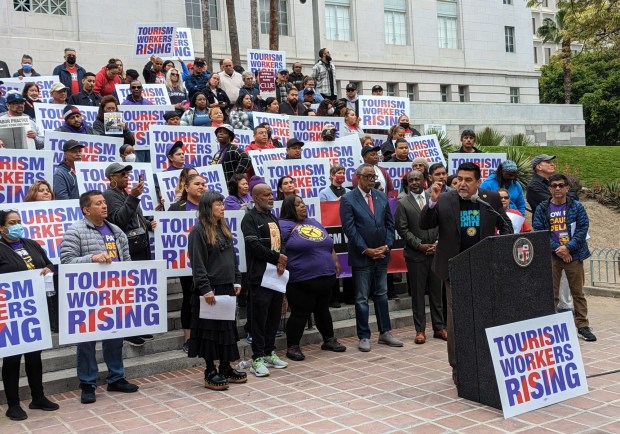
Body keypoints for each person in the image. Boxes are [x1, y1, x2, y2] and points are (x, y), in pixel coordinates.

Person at [420, 162, 513, 385]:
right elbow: (425, 224)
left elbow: (506, 226)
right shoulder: (444, 199)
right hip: (455, 269)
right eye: (459, 179)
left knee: (484, 316)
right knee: (457, 320)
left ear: (478, 182)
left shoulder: (489, 198)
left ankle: (485, 361)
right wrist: (432, 201)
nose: (462, 184)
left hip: (484, 267)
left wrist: (499, 250)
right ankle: (458, 367)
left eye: (468, 180)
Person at [60, 191, 140, 403]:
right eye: (98, 203)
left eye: (104, 202)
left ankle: (116, 377)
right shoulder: (74, 231)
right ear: (86, 209)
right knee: (86, 341)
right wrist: (91, 258)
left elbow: (128, 261)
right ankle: (88, 383)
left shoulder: (116, 231)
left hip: (115, 292)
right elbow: (66, 263)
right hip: (88, 296)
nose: (104, 206)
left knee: (114, 337)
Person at [0, 210, 60, 420]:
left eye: (19, 221)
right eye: (12, 222)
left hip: (35, 308)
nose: (17, 225)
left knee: (35, 355)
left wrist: (48, 270)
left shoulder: (31, 244)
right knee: (12, 358)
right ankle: (13, 404)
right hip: (11, 312)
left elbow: (49, 263)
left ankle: (38, 397)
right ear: (2, 228)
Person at [339, 163, 403, 352]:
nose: (370, 180)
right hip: (362, 257)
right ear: (358, 177)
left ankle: (385, 333)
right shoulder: (348, 199)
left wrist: (388, 245)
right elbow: (349, 229)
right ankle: (364, 335)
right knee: (361, 298)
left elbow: (390, 225)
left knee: (382, 294)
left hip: (382, 254)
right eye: (367, 177)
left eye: (373, 177)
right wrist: (366, 250)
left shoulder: (381, 196)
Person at [187, 191, 247, 389]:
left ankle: (225, 367)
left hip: (227, 287)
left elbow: (233, 258)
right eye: (218, 204)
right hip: (210, 289)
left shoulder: (224, 228)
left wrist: (236, 279)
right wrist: (205, 288)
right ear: (207, 207)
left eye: (222, 203)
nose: (222, 207)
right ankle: (210, 370)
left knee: (225, 330)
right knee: (209, 332)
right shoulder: (198, 231)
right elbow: (198, 264)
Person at [279, 195, 347, 361]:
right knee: (300, 313)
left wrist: (335, 259)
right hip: (301, 280)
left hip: (325, 276)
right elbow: (279, 249)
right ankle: (293, 346)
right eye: (298, 204)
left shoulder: (313, 222)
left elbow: (327, 243)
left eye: (303, 203)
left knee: (323, 310)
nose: (303, 206)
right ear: (289, 208)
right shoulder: (283, 225)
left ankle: (329, 339)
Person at [533, 173, 596, 341]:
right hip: (553, 256)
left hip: (574, 255)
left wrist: (568, 248)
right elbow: (539, 230)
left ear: (567, 188)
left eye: (561, 185)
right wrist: (559, 250)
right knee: (550, 293)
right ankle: (551, 327)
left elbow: (583, 229)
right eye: (554, 186)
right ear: (549, 189)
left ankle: (582, 326)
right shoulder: (542, 208)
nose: (558, 188)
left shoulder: (576, 206)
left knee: (578, 293)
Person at [102, 163, 157, 346]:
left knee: (138, 289)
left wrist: (148, 224)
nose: (127, 176)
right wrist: (133, 197)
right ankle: (128, 330)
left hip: (139, 247)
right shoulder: (110, 195)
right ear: (111, 177)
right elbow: (119, 219)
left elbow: (135, 218)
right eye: (122, 174)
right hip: (127, 250)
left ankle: (138, 326)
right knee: (129, 290)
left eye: (127, 173)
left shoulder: (125, 193)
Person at [241, 182, 289, 377]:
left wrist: (282, 260)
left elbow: (281, 243)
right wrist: (276, 257)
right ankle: (257, 358)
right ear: (255, 198)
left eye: (271, 194)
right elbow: (253, 246)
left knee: (274, 316)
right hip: (259, 277)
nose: (271, 197)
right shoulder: (249, 219)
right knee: (259, 319)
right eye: (266, 195)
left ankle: (269, 352)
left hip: (276, 275)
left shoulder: (272, 217)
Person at [395, 170, 446, 345]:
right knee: (417, 294)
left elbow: (442, 222)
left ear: (425, 181)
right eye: (411, 180)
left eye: (418, 179)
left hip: (436, 252)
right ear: (407, 184)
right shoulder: (403, 203)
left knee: (437, 293)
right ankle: (420, 330)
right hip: (416, 255)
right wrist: (419, 245)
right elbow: (403, 229)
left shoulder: (434, 198)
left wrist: (437, 243)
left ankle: (439, 327)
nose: (415, 182)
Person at [170, 174, 206, 352]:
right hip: (186, 262)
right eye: (197, 184)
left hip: (208, 261)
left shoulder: (209, 205)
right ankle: (188, 339)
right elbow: (167, 231)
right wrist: (155, 225)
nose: (201, 186)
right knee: (188, 299)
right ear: (186, 187)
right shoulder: (177, 207)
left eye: (203, 184)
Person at [24, 180, 59, 331]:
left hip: (58, 262)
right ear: (33, 194)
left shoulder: (60, 211)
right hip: (38, 262)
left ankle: (58, 323)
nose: (46, 192)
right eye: (41, 190)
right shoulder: (23, 214)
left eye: (48, 190)